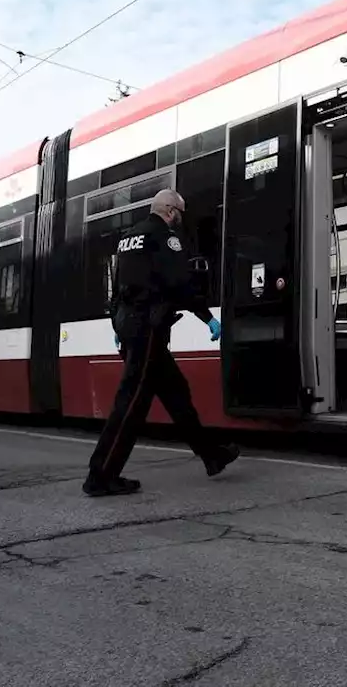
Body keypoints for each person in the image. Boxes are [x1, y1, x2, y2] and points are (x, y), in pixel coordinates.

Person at [83, 188, 240, 497]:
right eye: (179, 214)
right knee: (130, 405)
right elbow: (179, 283)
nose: (179, 220)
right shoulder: (165, 237)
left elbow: (118, 288)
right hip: (148, 330)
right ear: (170, 211)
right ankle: (100, 476)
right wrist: (206, 316)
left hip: (132, 324)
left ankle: (211, 455)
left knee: (177, 394)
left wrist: (117, 323)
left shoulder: (130, 237)